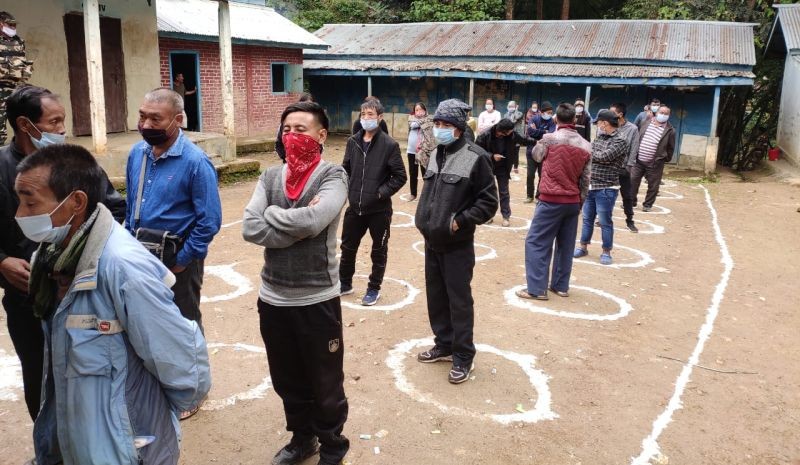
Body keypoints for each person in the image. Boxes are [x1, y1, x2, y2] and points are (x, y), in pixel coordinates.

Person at [16, 144, 210, 465]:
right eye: (19, 202)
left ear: (76, 202)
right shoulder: (50, 258)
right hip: (81, 439)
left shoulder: (123, 267)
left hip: (128, 447)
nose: (21, 215)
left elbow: (181, 364)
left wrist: (147, 426)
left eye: (31, 202)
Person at [0, 85, 125, 422]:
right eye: (54, 122)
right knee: (38, 377)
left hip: (80, 295)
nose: (62, 129)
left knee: (88, 372)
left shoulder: (72, 163)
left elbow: (114, 211)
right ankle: (49, 445)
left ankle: (89, 440)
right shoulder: (0, 167)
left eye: (62, 121)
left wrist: (83, 259)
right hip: (26, 301)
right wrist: (2, 262)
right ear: (25, 125)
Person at [242, 101, 350, 465]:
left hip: (316, 298)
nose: (291, 136)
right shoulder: (270, 177)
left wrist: (273, 214)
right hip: (273, 297)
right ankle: (303, 439)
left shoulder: (333, 176)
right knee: (287, 379)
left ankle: (332, 446)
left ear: (321, 135)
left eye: (300, 129)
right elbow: (250, 227)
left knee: (325, 382)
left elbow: (314, 221)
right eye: (286, 129)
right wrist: (294, 220)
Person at [125, 88, 221, 417]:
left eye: (156, 119)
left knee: (184, 324)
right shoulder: (137, 153)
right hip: (141, 256)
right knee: (145, 321)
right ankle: (159, 385)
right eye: (142, 116)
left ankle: (193, 392)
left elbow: (209, 221)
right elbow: (131, 208)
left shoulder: (195, 162)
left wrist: (182, 260)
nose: (145, 124)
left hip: (178, 260)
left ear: (177, 120)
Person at [414, 98, 498, 384]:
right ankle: (444, 344)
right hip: (432, 241)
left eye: (445, 124)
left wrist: (459, 221)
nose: (439, 128)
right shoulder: (436, 153)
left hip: (456, 244)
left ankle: (463, 355)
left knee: (459, 302)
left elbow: (488, 203)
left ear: (459, 128)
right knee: (436, 297)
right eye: (437, 123)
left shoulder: (476, 157)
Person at [516, 103, 591, 300]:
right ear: (574, 119)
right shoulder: (585, 145)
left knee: (537, 242)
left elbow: (536, 156)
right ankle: (560, 286)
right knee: (566, 245)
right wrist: (580, 202)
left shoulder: (549, 139)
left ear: (556, 119)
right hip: (572, 201)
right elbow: (586, 179)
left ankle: (536, 289)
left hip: (550, 199)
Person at [340, 98, 407, 306]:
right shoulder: (352, 142)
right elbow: (345, 170)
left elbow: (400, 176)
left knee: (379, 250)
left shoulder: (389, 145)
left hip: (379, 210)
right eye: (363, 114)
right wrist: (348, 190)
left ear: (379, 117)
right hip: (355, 208)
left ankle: (373, 288)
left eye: (370, 114)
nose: (366, 118)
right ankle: (344, 283)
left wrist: (380, 193)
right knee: (347, 248)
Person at [573, 109, 628, 265]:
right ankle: (583, 247)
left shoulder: (620, 140)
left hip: (607, 187)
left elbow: (605, 157)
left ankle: (606, 251)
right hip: (591, 185)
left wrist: (590, 153)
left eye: (599, 123)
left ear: (605, 123)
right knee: (587, 219)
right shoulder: (600, 137)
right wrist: (591, 153)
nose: (598, 125)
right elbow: (593, 152)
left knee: (605, 221)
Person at [475, 118, 536, 227]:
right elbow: (477, 150)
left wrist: (537, 141)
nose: (512, 132)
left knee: (504, 192)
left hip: (503, 167)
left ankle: (506, 216)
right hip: (487, 166)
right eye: (509, 131)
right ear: (502, 131)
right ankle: (489, 215)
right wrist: (492, 156)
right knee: (488, 192)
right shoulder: (485, 135)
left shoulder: (511, 134)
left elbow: (524, 140)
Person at [630, 105, 675, 212]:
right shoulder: (645, 122)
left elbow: (671, 148)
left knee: (653, 185)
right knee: (632, 181)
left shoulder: (670, 130)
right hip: (638, 160)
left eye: (666, 114)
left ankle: (648, 205)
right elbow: (637, 137)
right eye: (661, 112)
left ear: (669, 115)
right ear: (657, 112)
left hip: (655, 163)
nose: (663, 115)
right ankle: (631, 202)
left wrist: (662, 158)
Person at [0, 11, 33, 145]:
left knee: (20, 119)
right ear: (1, 24)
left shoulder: (19, 41)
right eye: (10, 25)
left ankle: (21, 148)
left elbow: (23, 61)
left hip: (16, 87)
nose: (13, 28)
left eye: (14, 25)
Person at [610, 102, 640, 233]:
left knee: (627, 196)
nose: (609, 115)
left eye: (612, 112)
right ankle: (603, 218)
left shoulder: (632, 129)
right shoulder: (609, 126)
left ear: (620, 114)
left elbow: (634, 148)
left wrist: (629, 166)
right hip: (609, 167)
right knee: (608, 194)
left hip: (623, 168)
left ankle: (630, 221)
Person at [524, 101, 556, 203]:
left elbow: (551, 135)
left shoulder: (551, 122)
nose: (550, 114)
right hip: (531, 151)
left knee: (542, 175)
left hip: (544, 153)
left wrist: (537, 131)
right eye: (548, 112)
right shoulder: (534, 118)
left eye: (551, 113)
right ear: (542, 112)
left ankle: (539, 195)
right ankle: (529, 196)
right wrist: (544, 132)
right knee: (530, 175)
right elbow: (529, 132)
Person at [276, 92, 313, 162]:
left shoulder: (315, 123)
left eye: (310, 105)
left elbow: (319, 144)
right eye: (304, 105)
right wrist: (284, 157)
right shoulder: (287, 122)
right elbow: (279, 143)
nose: (307, 108)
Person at [406, 102, 432, 200]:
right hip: (412, 151)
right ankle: (413, 194)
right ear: (414, 111)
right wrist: (422, 121)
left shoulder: (429, 120)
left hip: (424, 151)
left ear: (425, 110)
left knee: (425, 173)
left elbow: (429, 130)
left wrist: (423, 121)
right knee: (413, 173)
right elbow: (413, 125)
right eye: (417, 110)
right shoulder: (411, 118)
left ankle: (427, 194)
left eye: (421, 109)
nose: (419, 112)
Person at [504, 100, 525, 174]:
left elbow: (513, 121)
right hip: (508, 136)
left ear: (516, 107)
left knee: (516, 153)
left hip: (517, 136)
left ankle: (516, 167)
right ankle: (508, 166)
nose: (511, 108)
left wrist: (516, 111)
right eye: (509, 106)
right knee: (508, 152)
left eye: (512, 106)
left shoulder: (520, 113)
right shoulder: (505, 115)